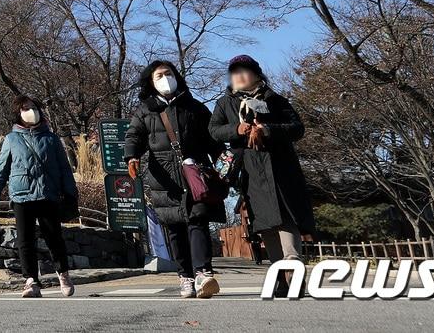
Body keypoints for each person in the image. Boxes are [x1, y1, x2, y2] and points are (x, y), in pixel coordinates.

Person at [124, 60, 225, 299]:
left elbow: (212, 139)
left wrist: (223, 163)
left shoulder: (194, 107)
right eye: (159, 75)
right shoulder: (145, 110)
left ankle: (204, 273)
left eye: (169, 73)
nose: (165, 78)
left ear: (177, 76)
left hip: (195, 172)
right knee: (175, 227)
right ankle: (185, 277)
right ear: (150, 82)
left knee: (198, 218)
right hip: (163, 175)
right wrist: (131, 157)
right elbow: (134, 136)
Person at [209, 54, 315, 270]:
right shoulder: (224, 103)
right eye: (234, 72)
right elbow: (213, 130)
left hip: (280, 165)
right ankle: (279, 270)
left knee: (286, 213)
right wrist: (237, 130)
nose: (238, 76)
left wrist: (267, 130)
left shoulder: (274, 99)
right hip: (249, 168)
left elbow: (297, 128)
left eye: (244, 71)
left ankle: (293, 261)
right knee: (264, 220)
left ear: (256, 74)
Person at [0, 95, 79, 298]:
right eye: (25, 108)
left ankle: (63, 273)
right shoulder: (11, 139)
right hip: (21, 195)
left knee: (54, 237)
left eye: (34, 107)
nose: (31, 111)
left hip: (48, 194)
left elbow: (65, 168)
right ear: (18, 114)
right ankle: (31, 281)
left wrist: (71, 194)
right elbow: (1, 170)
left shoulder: (51, 138)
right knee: (25, 240)